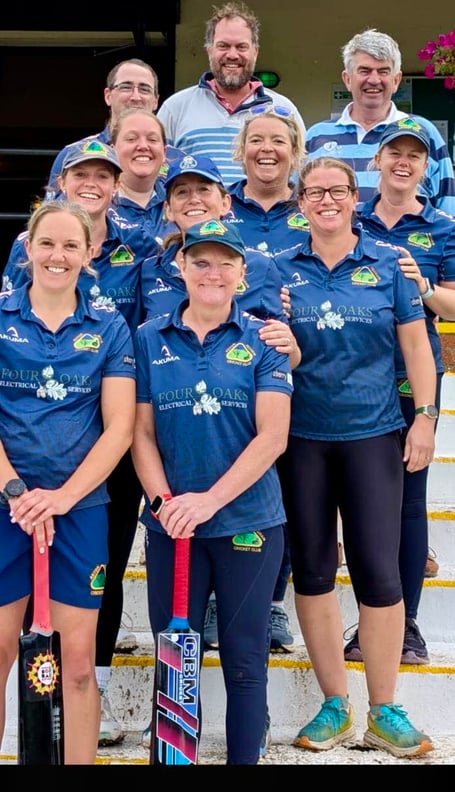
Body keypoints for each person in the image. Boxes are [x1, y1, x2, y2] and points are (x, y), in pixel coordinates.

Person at [276, 156, 437, 758]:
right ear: (301, 202)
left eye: (336, 191)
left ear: (353, 197)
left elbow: (418, 350)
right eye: (314, 192)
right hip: (303, 441)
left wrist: (425, 419)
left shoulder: (388, 267)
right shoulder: (278, 272)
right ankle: (334, 705)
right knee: (315, 573)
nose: (325, 200)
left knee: (380, 573)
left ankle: (384, 709)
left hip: (375, 436)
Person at [132, 219, 293, 765]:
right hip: (171, 526)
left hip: (247, 521)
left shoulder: (264, 338)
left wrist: (208, 502)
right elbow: (141, 433)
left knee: (246, 662)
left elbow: (273, 438)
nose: (213, 272)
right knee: (175, 659)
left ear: (243, 273)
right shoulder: (149, 338)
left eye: (225, 262)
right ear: (180, 268)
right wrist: (163, 503)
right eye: (200, 261)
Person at [2, 142, 144, 747]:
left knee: (79, 666)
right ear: (28, 249)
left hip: (80, 511)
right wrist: (17, 490)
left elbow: (119, 429)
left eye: (71, 246)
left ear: (90, 255)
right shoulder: (1, 318)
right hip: (7, 508)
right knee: (2, 656)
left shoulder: (110, 327)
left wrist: (60, 498)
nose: (58, 255)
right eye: (47, 243)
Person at [343, 120, 455, 666]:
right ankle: (368, 622)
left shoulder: (442, 228)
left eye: (415, 155)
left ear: (427, 166)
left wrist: (425, 289)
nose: (404, 162)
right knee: (364, 507)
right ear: (377, 160)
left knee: (409, 507)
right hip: (352, 380)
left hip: (414, 384)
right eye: (395, 153)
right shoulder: (351, 219)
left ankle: (404, 625)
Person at [226, 106, 307, 650]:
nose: (267, 149)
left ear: (294, 152)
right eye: (256, 140)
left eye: (279, 140)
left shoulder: (316, 206)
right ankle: (217, 598)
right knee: (228, 476)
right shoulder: (220, 208)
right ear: (242, 150)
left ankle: (273, 602)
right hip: (227, 375)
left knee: (289, 495)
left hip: (303, 370)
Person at [304, 29, 455, 215]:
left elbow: (448, 209)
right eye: (364, 71)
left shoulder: (424, 132)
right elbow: (297, 203)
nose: (374, 80)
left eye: (383, 71)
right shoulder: (315, 136)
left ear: (396, 80)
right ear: (348, 79)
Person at [156, 2, 305, 188]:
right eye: (223, 46)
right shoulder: (175, 108)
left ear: (255, 52)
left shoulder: (285, 109)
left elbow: (300, 175)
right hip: (196, 216)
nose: (232, 55)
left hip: (265, 217)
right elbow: (157, 173)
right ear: (209, 51)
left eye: (241, 47)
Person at [45, 58, 183, 201]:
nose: (135, 97)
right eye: (126, 87)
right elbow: (52, 217)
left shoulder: (178, 160)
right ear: (108, 96)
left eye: (144, 89)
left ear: (156, 101)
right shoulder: (74, 154)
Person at [109, 107, 176, 255]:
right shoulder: (97, 203)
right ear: (113, 150)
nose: (143, 146)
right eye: (131, 139)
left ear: (164, 152)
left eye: (152, 139)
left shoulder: (180, 202)